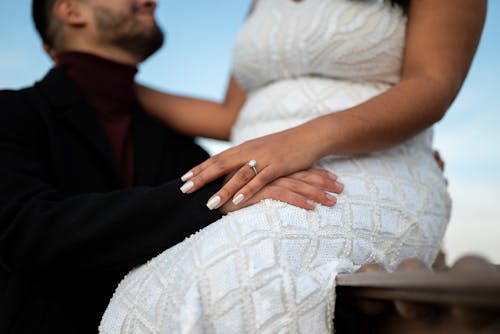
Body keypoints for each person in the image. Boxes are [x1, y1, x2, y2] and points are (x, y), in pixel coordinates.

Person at [100, 0, 487, 333]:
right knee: (151, 279)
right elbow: (230, 115)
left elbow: (432, 84)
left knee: (237, 270)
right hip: (259, 174)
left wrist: (299, 142)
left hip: (371, 169)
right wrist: (102, 80)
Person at [0, 0, 343, 332]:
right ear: (71, 11)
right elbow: (26, 230)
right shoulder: (13, 112)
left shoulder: (176, 143)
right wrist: (212, 196)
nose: (152, 1)